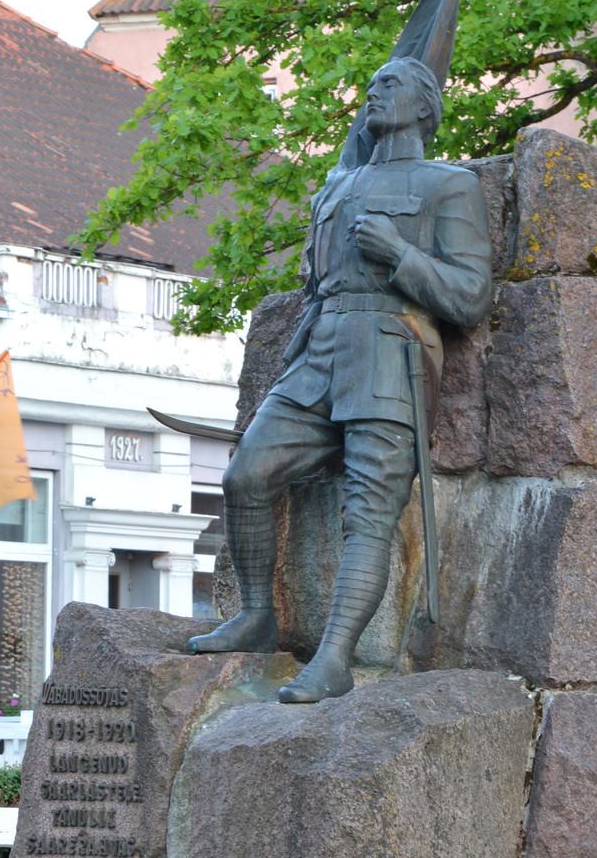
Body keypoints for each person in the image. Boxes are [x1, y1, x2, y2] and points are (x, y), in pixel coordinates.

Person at [188, 53, 493, 702]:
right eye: (373, 83)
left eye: (392, 84)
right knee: (246, 474)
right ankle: (255, 615)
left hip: (390, 351)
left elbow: (468, 297)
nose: (374, 91)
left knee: (368, 515)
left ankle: (332, 659)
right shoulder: (335, 185)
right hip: (319, 352)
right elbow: (312, 284)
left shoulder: (448, 185)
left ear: (424, 108)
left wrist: (400, 254)